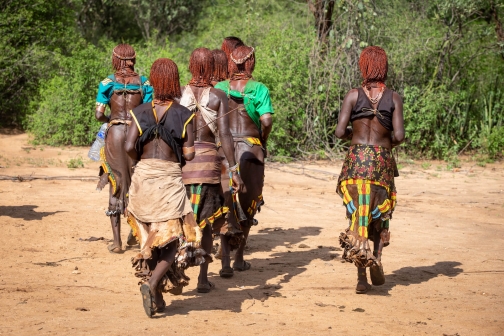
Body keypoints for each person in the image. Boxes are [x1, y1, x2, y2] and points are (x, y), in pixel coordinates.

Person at [124, 58, 207, 317]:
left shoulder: (139, 112)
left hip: (142, 178)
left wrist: (143, 159)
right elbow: (190, 155)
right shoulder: (184, 114)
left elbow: (128, 147)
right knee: (171, 241)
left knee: (150, 236)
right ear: (174, 81)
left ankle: (156, 295)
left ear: (153, 80)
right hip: (168, 181)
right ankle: (151, 284)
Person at [335, 46, 405, 294]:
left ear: (363, 67)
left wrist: (358, 140)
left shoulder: (353, 95)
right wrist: (384, 145)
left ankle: (361, 278)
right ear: (383, 68)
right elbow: (399, 135)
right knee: (379, 216)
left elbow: (340, 132)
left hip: (355, 162)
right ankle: (376, 256)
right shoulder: (394, 97)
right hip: (381, 163)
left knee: (357, 215)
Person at [180, 47, 244, 292]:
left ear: (191, 66)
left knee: (181, 219)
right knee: (206, 223)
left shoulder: (177, 95)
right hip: (208, 165)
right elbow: (225, 135)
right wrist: (234, 169)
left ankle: (177, 267)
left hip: (182, 166)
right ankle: (202, 278)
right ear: (211, 68)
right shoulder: (218, 96)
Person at [214, 45, 273, 277]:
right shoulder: (259, 89)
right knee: (249, 203)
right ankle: (239, 258)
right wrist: (262, 139)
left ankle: (225, 262)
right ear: (250, 63)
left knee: (225, 203)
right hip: (251, 149)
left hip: (223, 150)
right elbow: (266, 121)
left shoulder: (219, 88)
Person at [94, 44, 153, 253]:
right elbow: (148, 113)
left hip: (115, 133)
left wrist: (113, 119)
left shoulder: (107, 83)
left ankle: (117, 243)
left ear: (115, 59)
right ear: (133, 59)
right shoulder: (144, 82)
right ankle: (139, 235)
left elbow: (99, 114)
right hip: (134, 134)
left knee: (115, 181)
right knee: (136, 181)